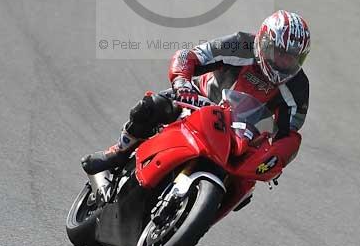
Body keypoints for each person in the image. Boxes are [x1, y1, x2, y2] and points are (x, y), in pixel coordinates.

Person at [82, 10, 310, 178]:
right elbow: (190, 56)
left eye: (292, 58)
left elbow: (288, 134)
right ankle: (119, 151)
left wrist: (275, 158)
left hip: (242, 135)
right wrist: (182, 81)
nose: (284, 62)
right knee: (151, 105)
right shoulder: (239, 45)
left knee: (245, 186)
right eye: (280, 53)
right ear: (264, 41)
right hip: (198, 102)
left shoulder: (297, 86)